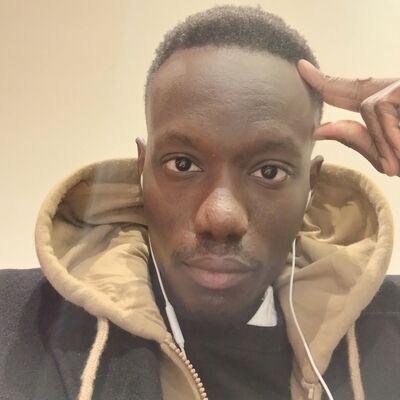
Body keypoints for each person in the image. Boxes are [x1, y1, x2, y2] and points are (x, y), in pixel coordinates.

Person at [1, 5, 399, 400]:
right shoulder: (16, 321)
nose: (220, 217)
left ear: (311, 187)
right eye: (183, 164)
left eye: (269, 171)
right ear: (142, 171)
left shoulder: (388, 328)